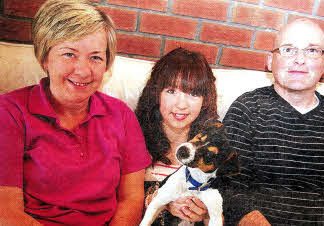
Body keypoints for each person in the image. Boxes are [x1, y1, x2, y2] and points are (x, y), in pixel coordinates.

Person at [0, 0, 151, 225]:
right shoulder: (9, 113)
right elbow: (6, 213)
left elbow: (132, 200)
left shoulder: (121, 115)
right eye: (69, 54)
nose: (83, 71)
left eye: (95, 57)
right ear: (45, 59)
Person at [218, 19, 324, 225]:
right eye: (288, 50)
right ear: (270, 61)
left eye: (312, 51)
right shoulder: (248, 107)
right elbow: (229, 183)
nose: (299, 60)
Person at [135, 47, 219, 225]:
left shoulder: (215, 150)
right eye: (171, 91)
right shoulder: (133, 138)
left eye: (193, 94)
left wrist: (206, 213)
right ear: (156, 94)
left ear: (205, 100)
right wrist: (164, 203)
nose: (181, 105)